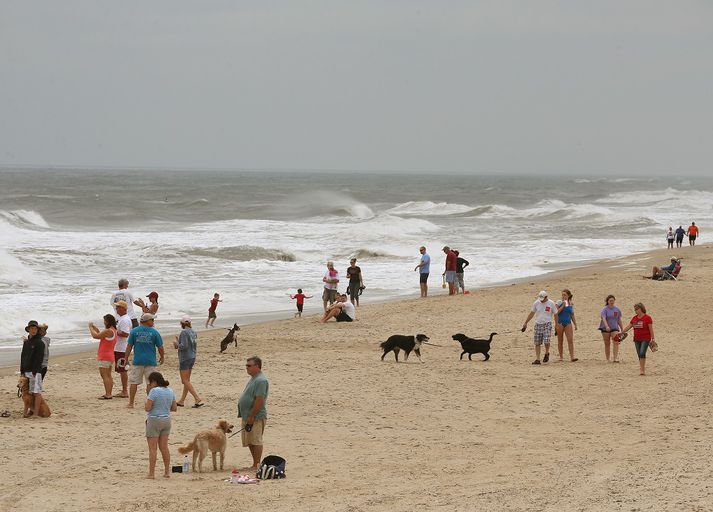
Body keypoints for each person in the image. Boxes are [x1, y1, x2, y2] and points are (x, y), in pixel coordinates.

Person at [125, 313, 165, 408]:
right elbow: (160, 347)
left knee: (134, 382)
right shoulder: (154, 332)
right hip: (150, 361)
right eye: (152, 320)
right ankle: (149, 402)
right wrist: (162, 356)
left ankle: (131, 403)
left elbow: (129, 346)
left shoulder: (134, 331)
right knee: (150, 382)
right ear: (147, 321)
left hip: (138, 360)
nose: (153, 322)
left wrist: (125, 358)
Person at [237, 356, 269, 471]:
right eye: (246, 365)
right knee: (250, 440)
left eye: (249, 366)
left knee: (256, 440)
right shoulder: (254, 378)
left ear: (257, 366)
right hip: (247, 414)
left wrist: (252, 415)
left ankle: (257, 464)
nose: (247, 368)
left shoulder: (261, 380)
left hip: (255, 416)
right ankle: (254, 463)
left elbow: (259, 399)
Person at [144, 371, 177, 479]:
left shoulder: (154, 391)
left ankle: (151, 473)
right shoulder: (170, 391)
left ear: (154, 381)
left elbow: (147, 408)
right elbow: (174, 408)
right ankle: (167, 471)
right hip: (166, 420)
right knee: (164, 447)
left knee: (153, 448)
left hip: (154, 419)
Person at [173, 316, 203, 408]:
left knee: (184, 380)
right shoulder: (193, 332)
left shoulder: (184, 332)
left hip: (185, 358)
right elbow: (191, 344)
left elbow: (183, 346)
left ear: (182, 324)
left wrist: (176, 343)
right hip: (192, 356)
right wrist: (179, 342)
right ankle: (181, 401)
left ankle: (197, 398)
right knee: (187, 380)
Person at [521, 291, 556, 365]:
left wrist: (557, 324)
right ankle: (538, 359)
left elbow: (555, 314)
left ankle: (546, 353)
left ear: (546, 297)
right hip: (538, 324)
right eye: (540, 298)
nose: (541, 300)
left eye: (543, 298)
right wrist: (525, 323)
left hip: (547, 324)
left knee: (546, 340)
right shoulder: (536, 303)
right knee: (537, 343)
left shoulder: (551, 303)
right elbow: (532, 313)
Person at [620, 303, 655, 376]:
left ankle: (642, 370)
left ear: (641, 309)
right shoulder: (634, 318)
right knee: (639, 354)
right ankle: (642, 368)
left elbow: (651, 329)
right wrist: (622, 332)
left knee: (642, 353)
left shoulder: (647, 318)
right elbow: (629, 326)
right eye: (635, 309)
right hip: (636, 339)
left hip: (646, 338)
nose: (635, 311)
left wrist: (653, 338)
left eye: (636, 309)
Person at [20, 320, 46, 418]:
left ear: (37, 330)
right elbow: (23, 357)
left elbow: (39, 359)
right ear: (28, 330)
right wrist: (22, 371)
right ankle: (30, 411)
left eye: (35, 329)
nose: (33, 330)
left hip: (35, 372)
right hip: (26, 371)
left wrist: (35, 371)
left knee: (36, 392)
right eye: (31, 328)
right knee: (28, 393)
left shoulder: (40, 343)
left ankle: (35, 414)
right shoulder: (26, 342)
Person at [88, 314, 118, 400]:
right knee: (108, 375)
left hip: (105, 355)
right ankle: (109, 393)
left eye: (105, 321)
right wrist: (94, 328)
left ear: (108, 321)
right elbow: (100, 334)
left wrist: (90, 327)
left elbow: (96, 336)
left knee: (104, 375)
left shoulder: (108, 331)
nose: (104, 322)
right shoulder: (113, 330)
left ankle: (108, 394)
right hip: (109, 355)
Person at [113, 300, 131, 398]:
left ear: (123, 308)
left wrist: (115, 332)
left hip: (122, 348)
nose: (116, 309)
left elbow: (125, 333)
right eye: (116, 307)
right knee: (121, 370)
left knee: (123, 370)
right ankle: (124, 390)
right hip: (119, 347)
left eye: (118, 307)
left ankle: (125, 391)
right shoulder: (121, 318)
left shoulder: (125, 320)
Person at [554, 289, 578, 362]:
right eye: (562, 295)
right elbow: (556, 312)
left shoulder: (570, 303)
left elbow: (572, 314)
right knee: (560, 341)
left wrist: (575, 324)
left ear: (568, 296)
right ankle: (561, 357)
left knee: (570, 340)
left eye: (565, 295)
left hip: (568, 323)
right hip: (560, 323)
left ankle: (572, 357)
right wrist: (563, 306)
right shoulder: (559, 302)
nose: (563, 296)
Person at [599, 295, 624, 362]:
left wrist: (622, 329)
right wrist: (607, 326)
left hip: (614, 328)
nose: (611, 302)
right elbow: (603, 318)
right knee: (607, 343)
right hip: (605, 328)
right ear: (608, 301)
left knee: (616, 342)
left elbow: (619, 320)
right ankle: (607, 358)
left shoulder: (617, 309)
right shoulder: (604, 309)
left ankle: (615, 358)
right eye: (610, 301)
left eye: (613, 300)